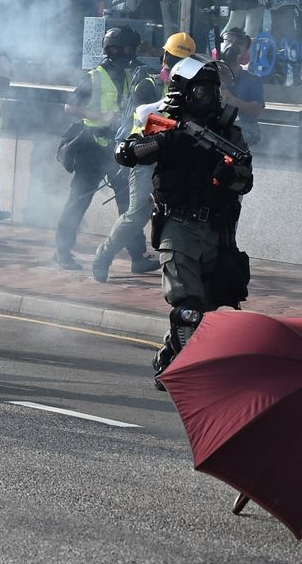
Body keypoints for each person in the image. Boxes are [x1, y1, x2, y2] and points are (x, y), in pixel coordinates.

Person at [115, 56, 252, 389]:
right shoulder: (164, 122)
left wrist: (228, 176)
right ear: (185, 91)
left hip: (216, 231)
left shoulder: (226, 130)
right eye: (202, 90)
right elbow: (125, 153)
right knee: (186, 307)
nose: (210, 97)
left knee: (204, 310)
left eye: (213, 90)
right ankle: (186, 372)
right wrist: (163, 142)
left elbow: (245, 179)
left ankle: (169, 356)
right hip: (177, 226)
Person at [90, 33, 197, 283]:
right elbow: (142, 118)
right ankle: (103, 257)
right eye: (172, 59)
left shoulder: (194, 88)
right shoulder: (148, 84)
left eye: (180, 60)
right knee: (138, 213)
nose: (172, 64)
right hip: (147, 155)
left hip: (176, 159)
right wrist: (174, 122)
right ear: (164, 58)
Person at [52, 25, 140, 269]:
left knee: (128, 203)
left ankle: (138, 255)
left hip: (117, 148)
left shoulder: (130, 75)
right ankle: (62, 251)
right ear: (115, 49)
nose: (131, 52)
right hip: (92, 147)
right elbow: (70, 107)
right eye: (127, 47)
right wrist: (101, 115)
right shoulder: (95, 76)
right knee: (78, 200)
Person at [214, 28, 266, 145]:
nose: (232, 46)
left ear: (245, 54)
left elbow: (256, 111)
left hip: (243, 132)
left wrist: (232, 100)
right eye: (229, 41)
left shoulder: (253, 80)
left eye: (239, 44)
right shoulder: (211, 75)